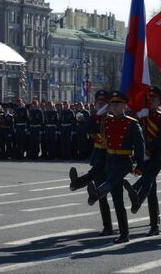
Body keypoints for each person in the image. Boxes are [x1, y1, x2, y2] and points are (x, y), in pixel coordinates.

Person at [86, 91, 144, 244]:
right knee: (117, 200)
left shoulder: (132, 122)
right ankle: (124, 233)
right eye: (112, 104)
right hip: (110, 160)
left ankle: (97, 193)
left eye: (118, 104)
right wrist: (98, 113)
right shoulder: (106, 121)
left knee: (111, 180)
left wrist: (139, 165)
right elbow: (89, 128)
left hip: (124, 160)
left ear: (125, 106)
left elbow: (140, 145)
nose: (115, 107)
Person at [123, 85, 161, 236]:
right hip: (145, 155)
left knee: (148, 177)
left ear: (159, 102)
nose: (150, 101)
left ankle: (137, 198)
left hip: (158, 154)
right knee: (152, 191)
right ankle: (154, 225)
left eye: (154, 99)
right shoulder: (141, 116)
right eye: (149, 98)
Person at [69, 90, 114, 236]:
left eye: (102, 103)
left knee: (116, 197)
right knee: (101, 195)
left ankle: (79, 182)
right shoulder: (96, 119)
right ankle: (107, 226)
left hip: (112, 157)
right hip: (99, 155)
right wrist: (95, 116)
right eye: (97, 103)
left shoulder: (113, 118)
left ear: (108, 105)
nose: (98, 105)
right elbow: (85, 130)